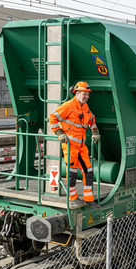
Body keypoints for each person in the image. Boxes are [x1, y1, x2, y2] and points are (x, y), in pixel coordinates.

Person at [48, 81, 101, 209]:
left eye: (88, 94)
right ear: (77, 93)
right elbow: (52, 118)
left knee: (88, 171)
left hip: (82, 146)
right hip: (70, 145)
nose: (86, 96)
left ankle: (88, 198)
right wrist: (59, 133)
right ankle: (72, 198)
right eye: (84, 94)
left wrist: (95, 131)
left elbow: (91, 118)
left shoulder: (85, 106)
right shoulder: (68, 106)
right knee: (72, 172)